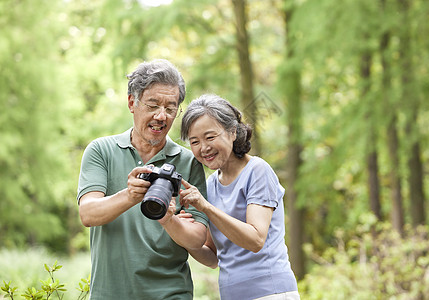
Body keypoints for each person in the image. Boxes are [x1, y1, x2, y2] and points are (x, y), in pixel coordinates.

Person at [77, 59, 208, 300]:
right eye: (153, 105)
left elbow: (198, 238)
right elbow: (88, 214)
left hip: (171, 294)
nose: (162, 116)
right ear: (132, 103)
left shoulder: (189, 162)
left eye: (170, 108)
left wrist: (169, 220)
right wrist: (129, 196)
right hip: (110, 294)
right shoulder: (101, 151)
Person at [178, 94, 300, 300]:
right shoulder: (210, 186)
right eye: (194, 141)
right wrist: (177, 228)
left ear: (233, 132)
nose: (203, 148)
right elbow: (213, 256)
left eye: (210, 137)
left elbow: (256, 239)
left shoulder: (257, 171)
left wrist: (206, 207)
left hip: (271, 292)